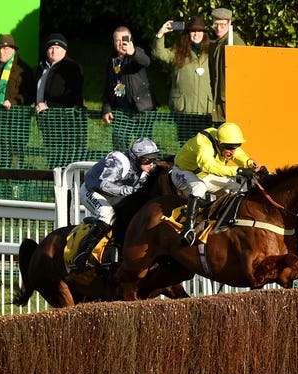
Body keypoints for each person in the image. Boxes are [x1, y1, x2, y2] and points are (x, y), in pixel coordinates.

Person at [75, 137, 161, 270]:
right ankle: (82, 253)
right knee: (106, 214)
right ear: (135, 157)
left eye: (153, 159)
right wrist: (128, 190)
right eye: (147, 159)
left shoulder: (145, 171)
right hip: (92, 191)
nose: (151, 163)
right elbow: (104, 184)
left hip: (115, 195)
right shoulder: (119, 161)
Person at [170, 122, 260, 245]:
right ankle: (188, 229)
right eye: (229, 148)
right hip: (182, 172)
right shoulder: (203, 142)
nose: (232, 151)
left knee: (238, 188)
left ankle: (226, 222)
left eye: (235, 146)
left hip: (203, 175)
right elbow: (207, 166)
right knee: (199, 187)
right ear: (219, 143)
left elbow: (240, 156)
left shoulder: (225, 141)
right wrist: (238, 170)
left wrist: (253, 166)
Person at [152, 16, 213, 146]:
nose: (196, 34)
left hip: (205, 110)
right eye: (193, 31)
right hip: (183, 109)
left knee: (205, 146)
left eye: (199, 31)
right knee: (185, 146)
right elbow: (159, 53)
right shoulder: (178, 51)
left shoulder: (212, 52)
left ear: (204, 34)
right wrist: (161, 33)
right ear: (188, 34)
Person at [0, 33, 35, 168]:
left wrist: (13, 102)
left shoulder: (23, 70)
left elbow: (30, 95)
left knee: (13, 163)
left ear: (13, 50)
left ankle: (13, 187)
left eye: (5, 48)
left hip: (14, 126)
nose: (1, 52)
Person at [101, 26, 157, 152]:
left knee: (144, 149)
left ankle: (144, 172)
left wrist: (133, 53)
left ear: (130, 40)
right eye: (117, 40)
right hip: (121, 112)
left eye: (124, 39)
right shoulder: (112, 60)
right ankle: (123, 170)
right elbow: (107, 86)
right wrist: (106, 107)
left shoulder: (137, 53)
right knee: (119, 146)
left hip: (142, 111)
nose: (121, 43)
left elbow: (146, 61)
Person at [35, 33, 86, 165]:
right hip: (47, 123)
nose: (53, 51)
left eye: (57, 48)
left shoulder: (72, 67)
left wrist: (49, 106)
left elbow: (73, 96)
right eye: (50, 48)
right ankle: (54, 186)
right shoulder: (42, 67)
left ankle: (67, 186)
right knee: (52, 159)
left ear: (64, 50)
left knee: (66, 162)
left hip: (66, 124)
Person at [209, 8, 245, 123]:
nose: (218, 28)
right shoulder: (215, 44)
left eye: (222, 24)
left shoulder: (234, 43)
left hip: (231, 104)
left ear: (230, 23)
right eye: (216, 24)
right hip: (220, 102)